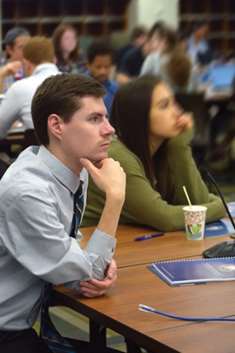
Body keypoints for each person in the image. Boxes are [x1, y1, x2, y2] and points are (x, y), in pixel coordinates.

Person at [0, 73, 126, 352]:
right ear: (56, 125)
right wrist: (115, 199)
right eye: (95, 119)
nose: (109, 129)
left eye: (105, 118)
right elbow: (88, 273)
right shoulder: (27, 190)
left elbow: (74, 250)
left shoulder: (73, 170)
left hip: (29, 322)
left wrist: (95, 262)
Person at [82, 75, 225, 231]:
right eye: (164, 106)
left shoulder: (163, 150)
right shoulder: (117, 157)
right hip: (90, 246)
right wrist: (220, 206)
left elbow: (196, 202)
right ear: (139, 116)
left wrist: (179, 146)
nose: (177, 113)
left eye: (174, 103)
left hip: (129, 242)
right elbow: (166, 219)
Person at [0, 36, 59, 139]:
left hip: (38, 152)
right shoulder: (76, 84)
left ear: (26, 63)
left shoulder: (20, 88)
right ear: (54, 60)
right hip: (75, 153)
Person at [86, 39, 118, 115]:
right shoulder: (79, 88)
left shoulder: (115, 89)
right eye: (98, 67)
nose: (102, 72)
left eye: (107, 67)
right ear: (88, 65)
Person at [0, 26, 30, 92]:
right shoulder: (2, 68)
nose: (27, 51)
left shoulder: (34, 66)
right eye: (21, 47)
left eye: (28, 47)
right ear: (9, 49)